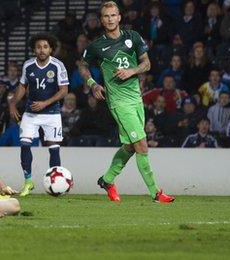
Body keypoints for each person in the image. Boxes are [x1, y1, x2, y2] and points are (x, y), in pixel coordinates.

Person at [78, 1, 175, 203]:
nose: (110, 19)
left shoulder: (133, 37)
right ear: (102, 20)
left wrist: (132, 71)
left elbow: (146, 63)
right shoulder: (97, 46)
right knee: (141, 145)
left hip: (136, 100)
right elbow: (83, 65)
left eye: (113, 15)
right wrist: (93, 84)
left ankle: (107, 180)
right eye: (106, 16)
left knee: (131, 147)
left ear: (119, 17)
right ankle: (156, 193)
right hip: (118, 102)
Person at [9, 34, 68, 197]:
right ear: (34, 49)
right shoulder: (28, 65)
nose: (42, 50)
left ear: (51, 49)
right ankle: (28, 182)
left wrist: (45, 103)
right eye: (38, 47)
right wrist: (13, 103)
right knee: (25, 145)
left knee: (54, 149)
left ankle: (57, 184)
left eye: (45, 47)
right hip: (31, 113)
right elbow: (22, 86)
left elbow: (64, 91)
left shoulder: (57, 65)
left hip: (52, 113)